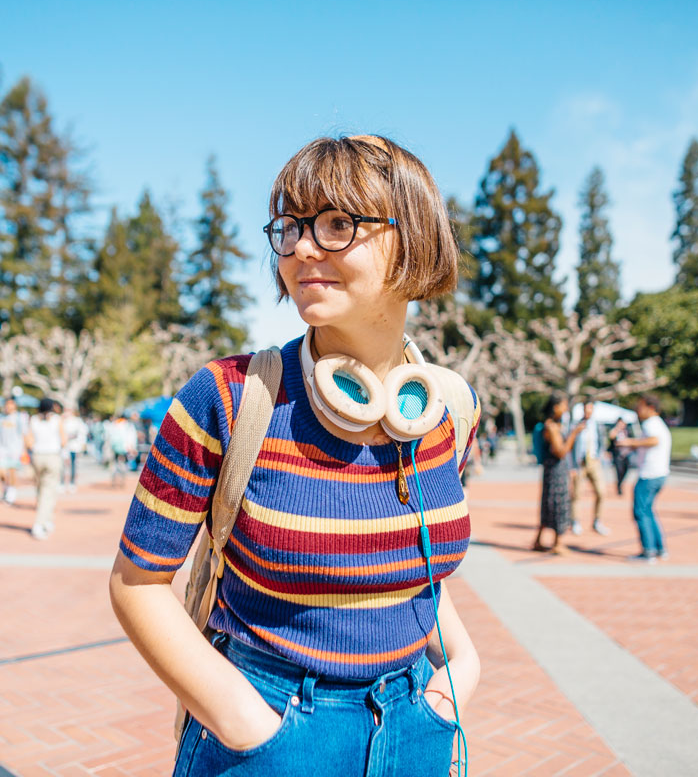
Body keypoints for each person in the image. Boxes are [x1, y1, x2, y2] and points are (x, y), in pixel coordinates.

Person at [109, 135, 480, 776]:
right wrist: (245, 721)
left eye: (338, 223)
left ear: (414, 237)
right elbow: (136, 583)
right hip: (271, 729)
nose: (302, 246)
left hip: (417, 722)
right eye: (290, 226)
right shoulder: (228, 397)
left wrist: (458, 676)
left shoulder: (446, 407)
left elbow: (422, 563)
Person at [616, 394, 672, 563]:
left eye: (641, 407)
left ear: (651, 407)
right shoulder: (657, 423)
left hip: (650, 474)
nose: (638, 410)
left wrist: (630, 442)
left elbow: (654, 440)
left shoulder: (652, 424)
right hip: (658, 473)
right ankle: (659, 548)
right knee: (648, 511)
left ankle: (648, 551)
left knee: (641, 511)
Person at [532, 395, 585, 555]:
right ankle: (557, 543)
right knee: (558, 504)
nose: (565, 409)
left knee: (549, 503)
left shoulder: (554, 425)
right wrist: (574, 434)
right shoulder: (551, 427)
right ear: (555, 407)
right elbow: (560, 451)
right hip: (555, 470)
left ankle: (539, 540)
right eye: (563, 405)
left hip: (553, 470)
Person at [26, 398, 66, 541]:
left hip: (37, 456)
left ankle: (47, 519)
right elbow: (63, 440)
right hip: (52, 456)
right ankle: (39, 523)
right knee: (48, 491)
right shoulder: (57, 420)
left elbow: (28, 440)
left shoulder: (33, 420)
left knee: (40, 488)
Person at [568, 401, 608, 536]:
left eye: (591, 409)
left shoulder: (598, 425)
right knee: (577, 494)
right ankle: (575, 521)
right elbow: (571, 445)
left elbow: (602, 442)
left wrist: (600, 457)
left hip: (594, 462)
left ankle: (597, 520)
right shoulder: (576, 424)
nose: (588, 411)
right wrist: (572, 465)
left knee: (601, 492)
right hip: (580, 463)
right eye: (586, 409)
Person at [0, 397, 27, 504]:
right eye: (7, 404)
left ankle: (11, 491)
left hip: (15, 449)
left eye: (11, 404)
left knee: (12, 471)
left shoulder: (20, 418)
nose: (9, 406)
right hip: (2, 448)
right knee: (1, 472)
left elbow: (24, 434)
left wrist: (24, 450)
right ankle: (6, 486)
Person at [63, 405, 88, 493]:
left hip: (73, 446)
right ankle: (62, 483)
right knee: (63, 465)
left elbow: (81, 432)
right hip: (64, 447)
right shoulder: (62, 421)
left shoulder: (77, 421)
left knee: (73, 465)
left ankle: (72, 483)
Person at [607, 418, 632, 495]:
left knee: (626, 470)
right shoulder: (615, 431)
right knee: (619, 471)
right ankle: (619, 487)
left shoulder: (627, 431)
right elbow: (611, 436)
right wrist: (617, 428)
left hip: (626, 454)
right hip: (617, 454)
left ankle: (620, 483)